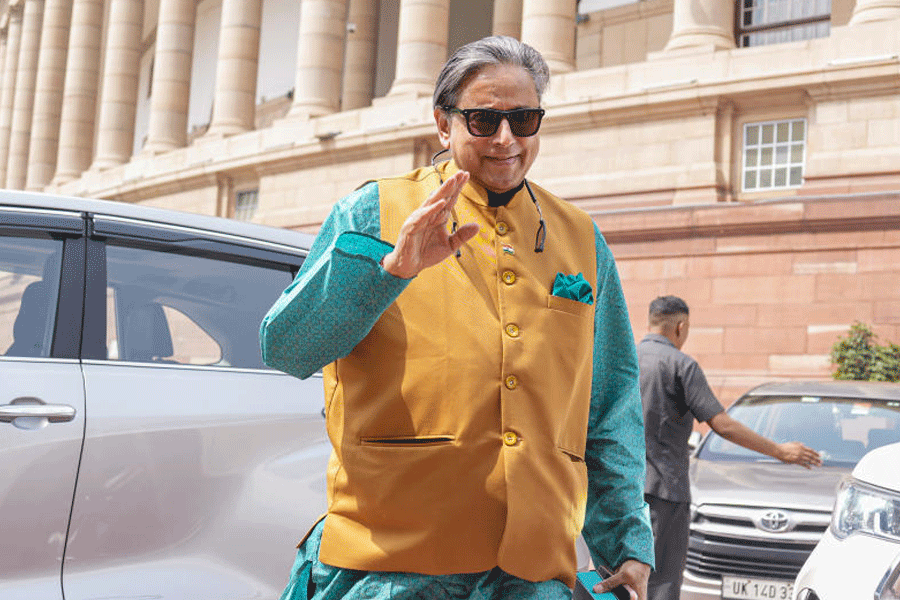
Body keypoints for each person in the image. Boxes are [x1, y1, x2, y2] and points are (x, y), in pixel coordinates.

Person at [260, 35, 654, 600]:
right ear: (443, 124)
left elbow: (610, 406)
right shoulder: (375, 212)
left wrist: (627, 545)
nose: (506, 139)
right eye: (483, 120)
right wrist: (388, 272)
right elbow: (286, 349)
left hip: (532, 572)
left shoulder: (581, 239)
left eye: (524, 119)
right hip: (391, 569)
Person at [638, 296, 822, 600]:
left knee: (617, 577)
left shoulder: (625, 359)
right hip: (663, 494)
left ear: (651, 321)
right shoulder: (681, 365)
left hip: (619, 491)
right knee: (660, 582)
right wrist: (780, 451)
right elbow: (722, 425)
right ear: (680, 327)